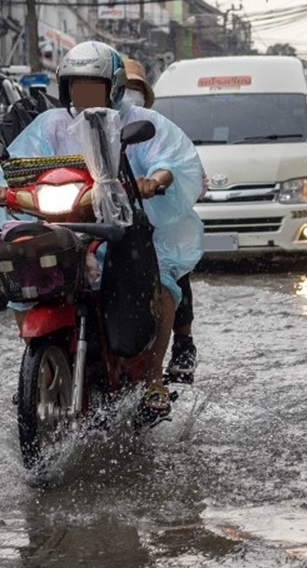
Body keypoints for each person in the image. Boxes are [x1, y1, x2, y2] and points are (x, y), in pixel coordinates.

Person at [0, 41, 204, 419]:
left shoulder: (141, 121)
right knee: (24, 273)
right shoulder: (50, 124)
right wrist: (2, 187)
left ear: (113, 86)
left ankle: (153, 379)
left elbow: (171, 160)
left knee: (163, 280)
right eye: (76, 85)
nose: (82, 94)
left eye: (92, 85)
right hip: (65, 222)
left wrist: (155, 180)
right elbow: (20, 164)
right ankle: (41, 374)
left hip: (124, 226)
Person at [118, 56, 197, 382]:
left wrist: (155, 181)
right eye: (125, 87)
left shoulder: (155, 128)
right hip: (98, 217)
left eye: (136, 88)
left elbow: (171, 163)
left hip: (152, 218)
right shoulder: (81, 126)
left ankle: (172, 354)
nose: (130, 94)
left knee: (170, 267)